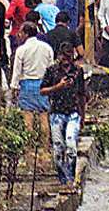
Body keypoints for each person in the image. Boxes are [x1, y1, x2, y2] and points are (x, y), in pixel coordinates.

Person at [41, 42, 86, 184]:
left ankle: (71, 177)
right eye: (63, 56)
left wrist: (82, 116)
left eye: (68, 56)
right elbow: (42, 91)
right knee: (58, 147)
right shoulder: (52, 71)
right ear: (59, 56)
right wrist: (58, 87)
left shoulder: (78, 71)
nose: (65, 59)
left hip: (73, 113)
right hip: (56, 113)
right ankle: (62, 178)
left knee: (71, 145)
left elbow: (82, 95)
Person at [11, 20, 55, 140]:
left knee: (27, 116)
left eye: (20, 32)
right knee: (43, 115)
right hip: (43, 84)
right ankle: (45, 145)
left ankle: (30, 145)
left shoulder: (21, 50)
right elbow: (51, 68)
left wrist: (14, 88)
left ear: (25, 34)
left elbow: (17, 71)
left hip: (27, 84)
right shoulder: (47, 48)